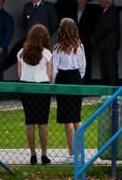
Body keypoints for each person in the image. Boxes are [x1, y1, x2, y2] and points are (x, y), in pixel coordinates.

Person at [17, 24, 54, 165]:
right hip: (42, 88)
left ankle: (33, 155)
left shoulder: (21, 53)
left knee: (30, 122)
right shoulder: (47, 54)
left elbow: (20, 74)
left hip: (26, 87)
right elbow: (49, 76)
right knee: (43, 123)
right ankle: (44, 155)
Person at [52, 18, 86, 157]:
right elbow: (83, 66)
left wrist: (54, 83)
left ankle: (72, 151)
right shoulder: (79, 46)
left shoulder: (57, 48)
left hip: (63, 79)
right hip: (75, 78)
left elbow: (54, 69)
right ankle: (81, 150)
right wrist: (78, 79)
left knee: (67, 118)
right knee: (76, 116)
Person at [91, 0, 122, 85]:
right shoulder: (106, 11)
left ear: (107, 1)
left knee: (111, 69)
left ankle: (113, 89)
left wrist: (94, 37)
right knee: (104, 69)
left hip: (109, 46)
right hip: (104, 45)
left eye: (101, 0)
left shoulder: (112, 11)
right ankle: (107, 88)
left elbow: (105, 28)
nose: (99, 2)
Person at [68, 0, 101, 81]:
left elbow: (96, 26)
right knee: (72, 61)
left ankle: (86, 82)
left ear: (87, 0)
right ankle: (74, 81)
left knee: (86, 62)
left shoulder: (92, 12)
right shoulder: (71, 10)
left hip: (86, 41)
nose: (81, 0)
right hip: (72, 41)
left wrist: (93, 37)